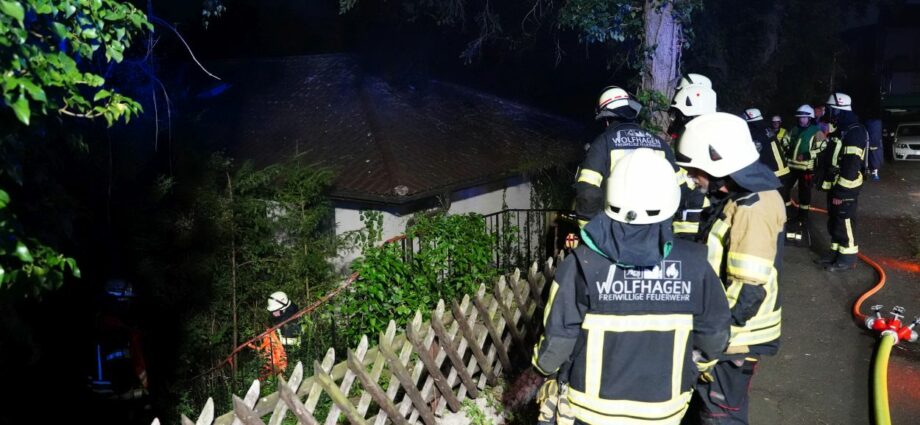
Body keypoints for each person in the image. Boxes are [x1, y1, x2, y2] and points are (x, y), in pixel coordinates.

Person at [532, 148, 731, 425]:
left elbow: (556, 343)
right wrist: (691, 366)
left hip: (591, 411)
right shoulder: (696, 264)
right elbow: (715, 336)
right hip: (665, 411)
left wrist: (543, 370)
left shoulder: (581, 264)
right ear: (671, 199)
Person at [675, 113, 785, 425]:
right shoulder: (741, 197)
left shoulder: (753, 208)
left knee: (721, 415)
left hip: (737, 336)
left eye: (697, 170)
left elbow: (747, 292)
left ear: (719, 164)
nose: (693, 178)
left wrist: (709, 345)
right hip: (731, 332)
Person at [575, 86, 678, 227]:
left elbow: (588, 193)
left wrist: (587, 228)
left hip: (615, 229)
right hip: (655, 229)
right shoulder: (659, 143)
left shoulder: (603, 143)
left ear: (606, 119)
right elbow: (681, 187)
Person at [814, 92, 868, 272]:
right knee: (835, 222)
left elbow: (851, 166)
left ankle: (847, 259)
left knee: (844, 221)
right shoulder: (842, 130)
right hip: (836, 185)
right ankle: (835, 253)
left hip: (845, 187)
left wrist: (840, 192)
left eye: (830, 110)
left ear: (839, 110)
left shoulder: (854, 132)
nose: (828, 113)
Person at [668, 75, 718, 239]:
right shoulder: (705, 129)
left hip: (696, 211)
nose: (675, 118)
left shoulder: (696, 134)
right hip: (694, 207)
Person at [781, 104, 825, 244]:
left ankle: (803, 216)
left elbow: (823, 147)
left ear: (810, 118)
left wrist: (807, 155)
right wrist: (787, 149)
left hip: (806, 168)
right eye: (799, 117)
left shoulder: (816, 131)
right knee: (784, 189)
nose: (801, 120)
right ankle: (787, 214)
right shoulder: (794, 129)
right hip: (790, 167)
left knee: (804, 192)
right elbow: (785, 141)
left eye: (804, 117)